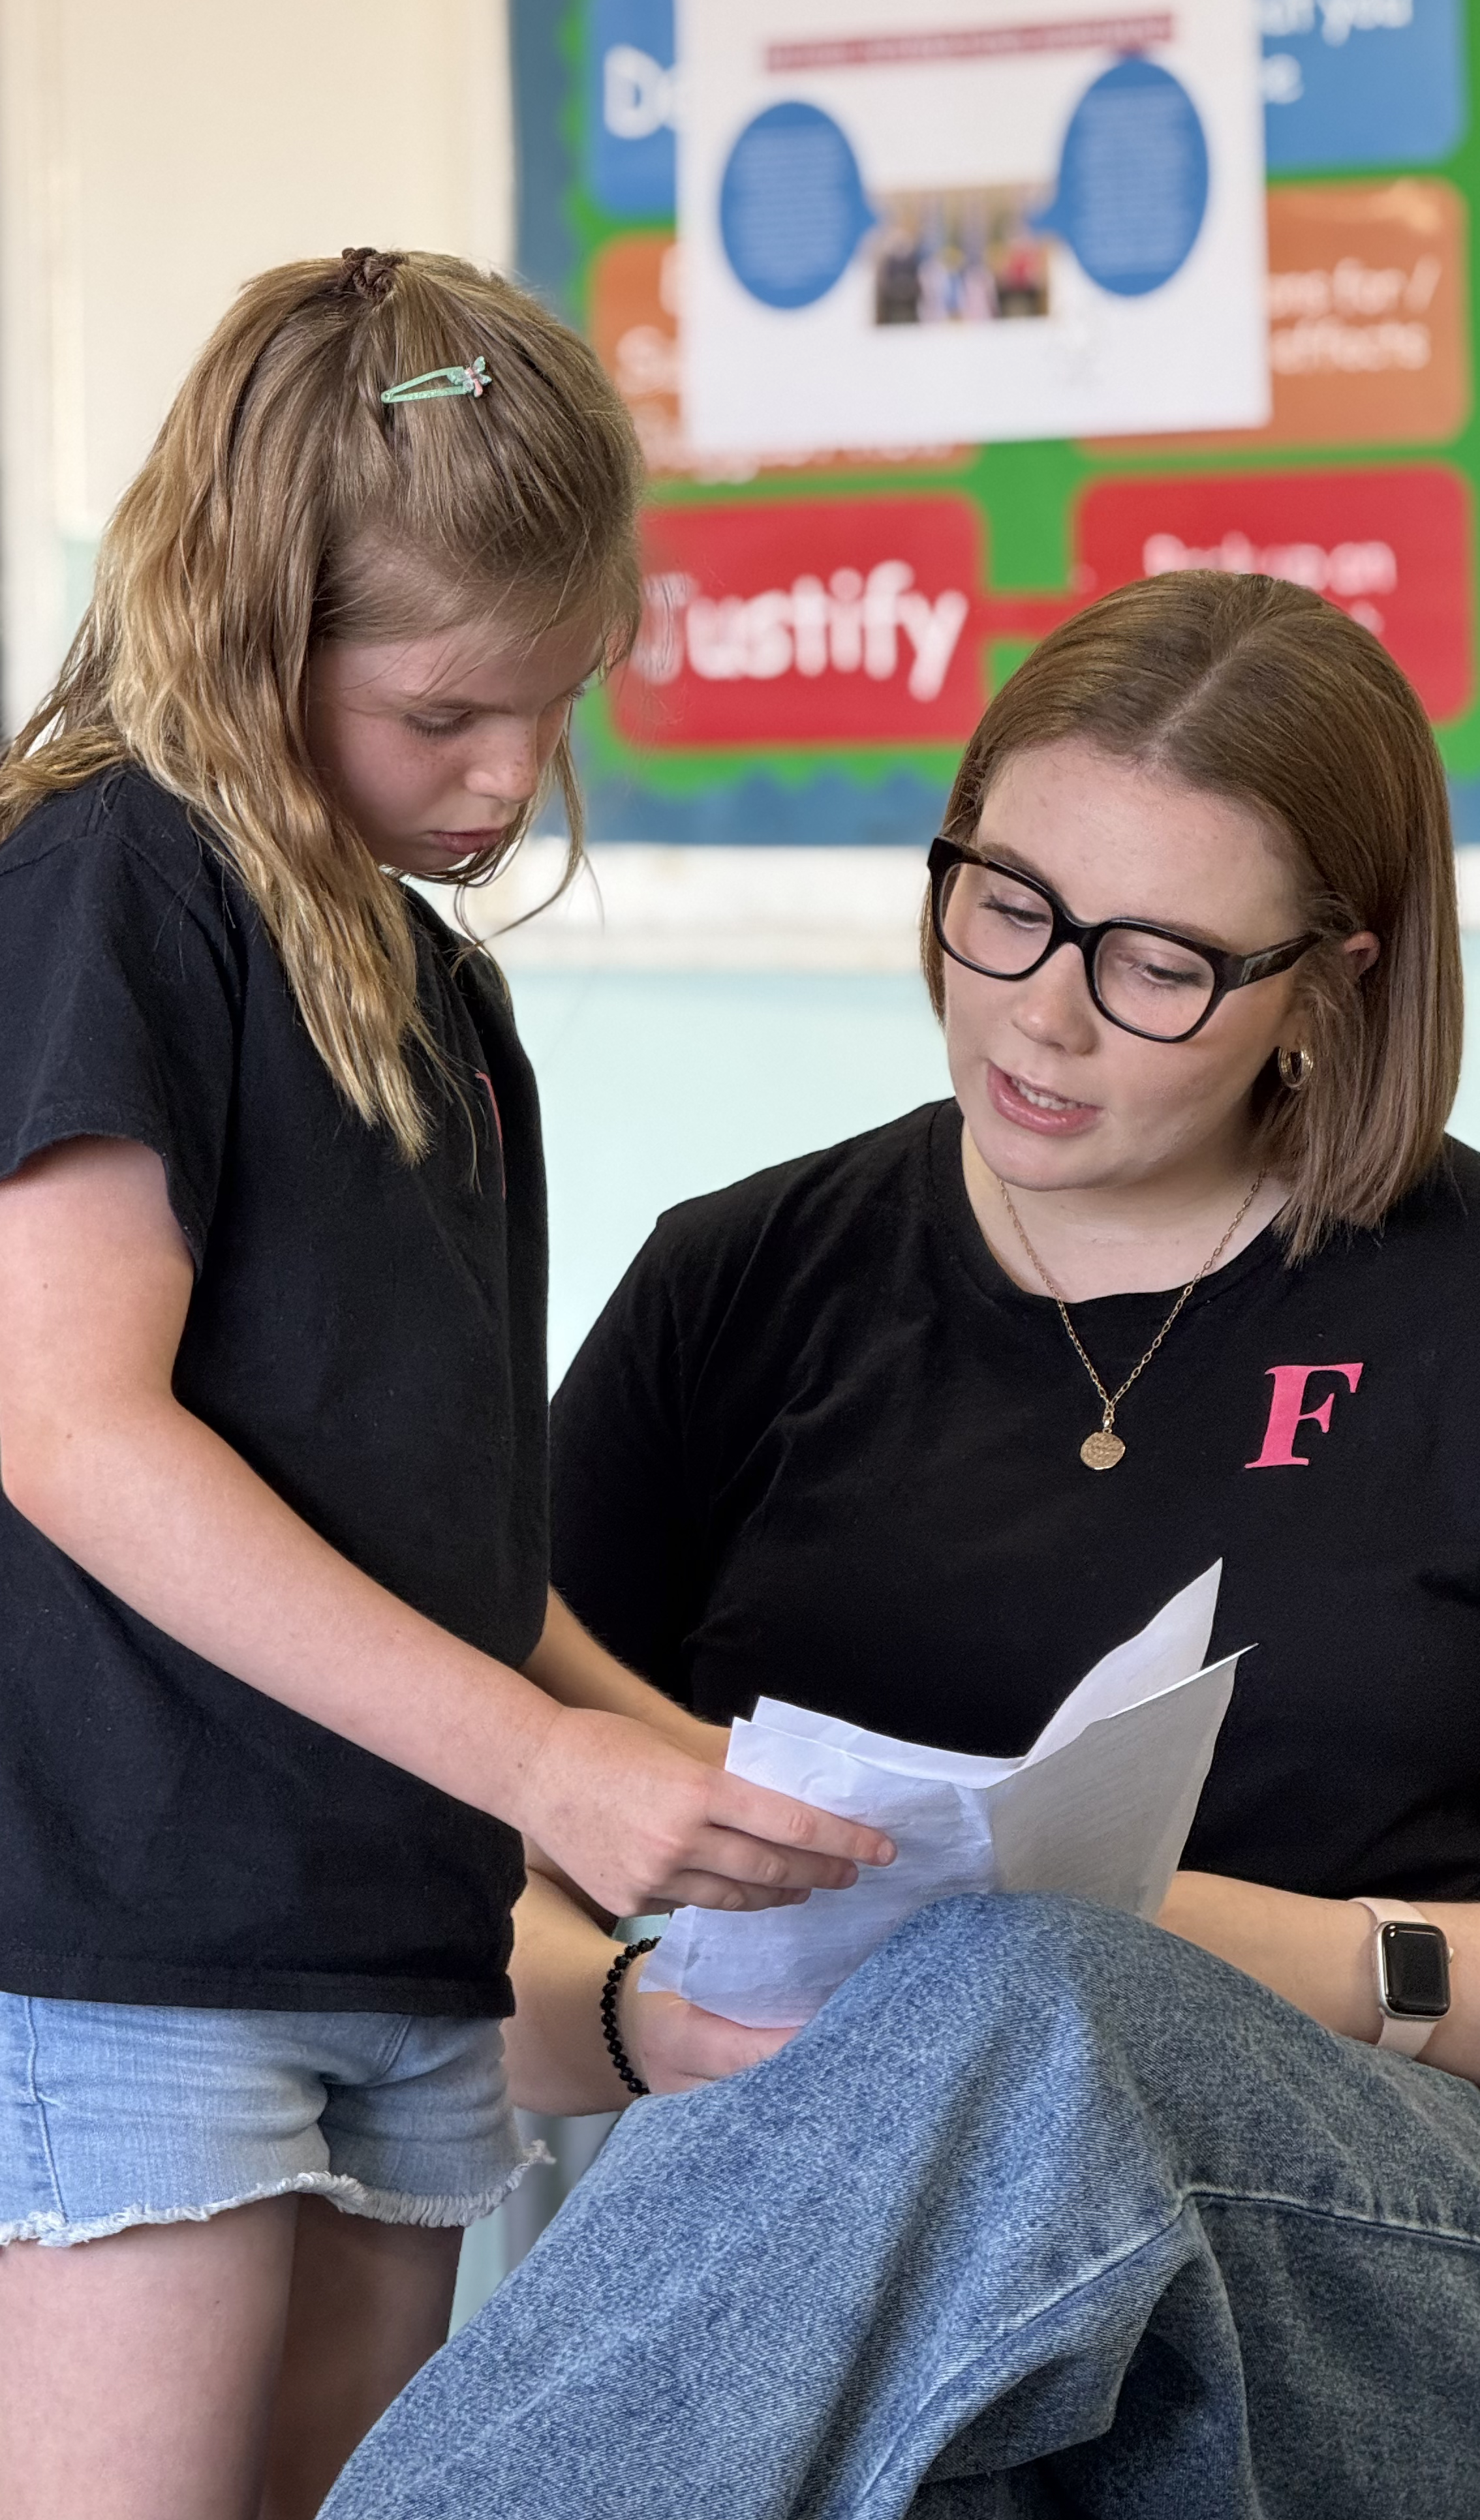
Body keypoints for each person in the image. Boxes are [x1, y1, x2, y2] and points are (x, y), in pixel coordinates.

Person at [325, 572, 1480, 2518]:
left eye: (1160, 963)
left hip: (1369, 2249)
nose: (1038, 1006)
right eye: (1005, 902)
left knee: (1027, 1999)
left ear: (1334, 979)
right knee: (943, 2346)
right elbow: (437, 1860)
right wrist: (629, 2021)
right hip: (851, 2256)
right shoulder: (742, 1282)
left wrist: (1225, 1950)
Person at [0, 248, 891, 2520]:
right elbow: (66, 1422)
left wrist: (692, 1777)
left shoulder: (429, 989)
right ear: (247, 625)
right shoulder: (113, 886)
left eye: (553, 708)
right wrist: (544, 1766)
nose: (509, 783)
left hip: (390, 1947)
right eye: (444, 718)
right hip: (128, 1952)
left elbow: (441, 1533)